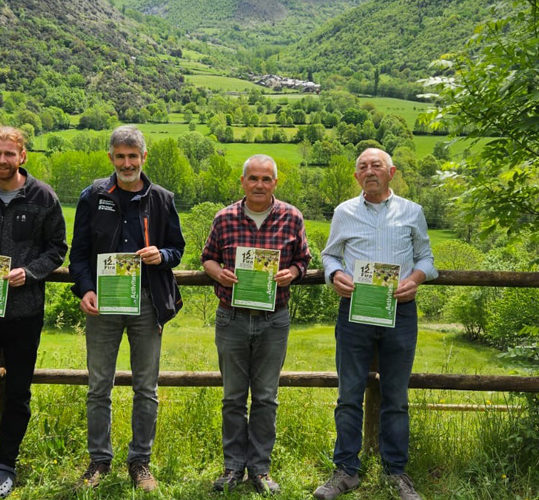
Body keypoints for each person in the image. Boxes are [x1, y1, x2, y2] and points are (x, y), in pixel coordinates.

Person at [315, 148, 437, 500]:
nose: (370, 171)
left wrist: (415, 279)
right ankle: (345, 471)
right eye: (363, 167)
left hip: (400, 312)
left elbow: (426, 257)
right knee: (349, 394)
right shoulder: (344, 212)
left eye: (376, 166)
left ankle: (396, 472)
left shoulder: (412, 212)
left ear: (391, 172)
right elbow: (330, 254)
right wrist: (334, 273)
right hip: (354, 311)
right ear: (356, 176)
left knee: (396, 396)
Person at [69, 125, 185, 492]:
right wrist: (86, 289)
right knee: (98, 386)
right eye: (120, 156)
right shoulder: (93, 195)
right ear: (110, 158)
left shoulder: (162, 199)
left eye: (133, 156)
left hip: (147, 304)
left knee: (146, 388)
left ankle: (140, 462)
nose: (126, 162)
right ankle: (99, 461)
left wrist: (161, 255)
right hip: (102, 305)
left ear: (143, 157)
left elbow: (177, 250)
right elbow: (79, 253)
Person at [0, 126, 68, 499]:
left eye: (9, 154)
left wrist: (31, 272)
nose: (1, 160)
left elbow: (56, 249)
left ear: (23, 156)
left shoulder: (43, 197)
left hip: (24, 311)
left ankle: (6, 465)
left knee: (17, 393)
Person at [201, 154, 311, 495]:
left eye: (266, 179)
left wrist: (290, 273)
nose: (259, 185)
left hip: (273, 320)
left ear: (275, 182)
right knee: (233, 397)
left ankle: (260, 469)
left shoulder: (292, 218)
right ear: (243, 182)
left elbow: (304, 260)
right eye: (253, 178)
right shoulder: (225, 218)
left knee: (265, 397)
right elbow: (207, 257)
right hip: (231, 317)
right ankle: (233, 467)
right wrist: (218, 272)